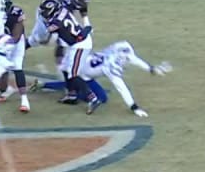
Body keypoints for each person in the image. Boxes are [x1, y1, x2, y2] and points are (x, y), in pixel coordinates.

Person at [32, 41, 168, 117]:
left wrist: (150, 68)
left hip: (80, 62)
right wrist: (134, 107)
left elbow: (133, 58)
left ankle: (51, 86)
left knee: (83, 87)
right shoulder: (112, 68)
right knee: (100, 97)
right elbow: (122, 88)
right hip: (78, 73)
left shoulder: (119, 50)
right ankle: (47, 85)